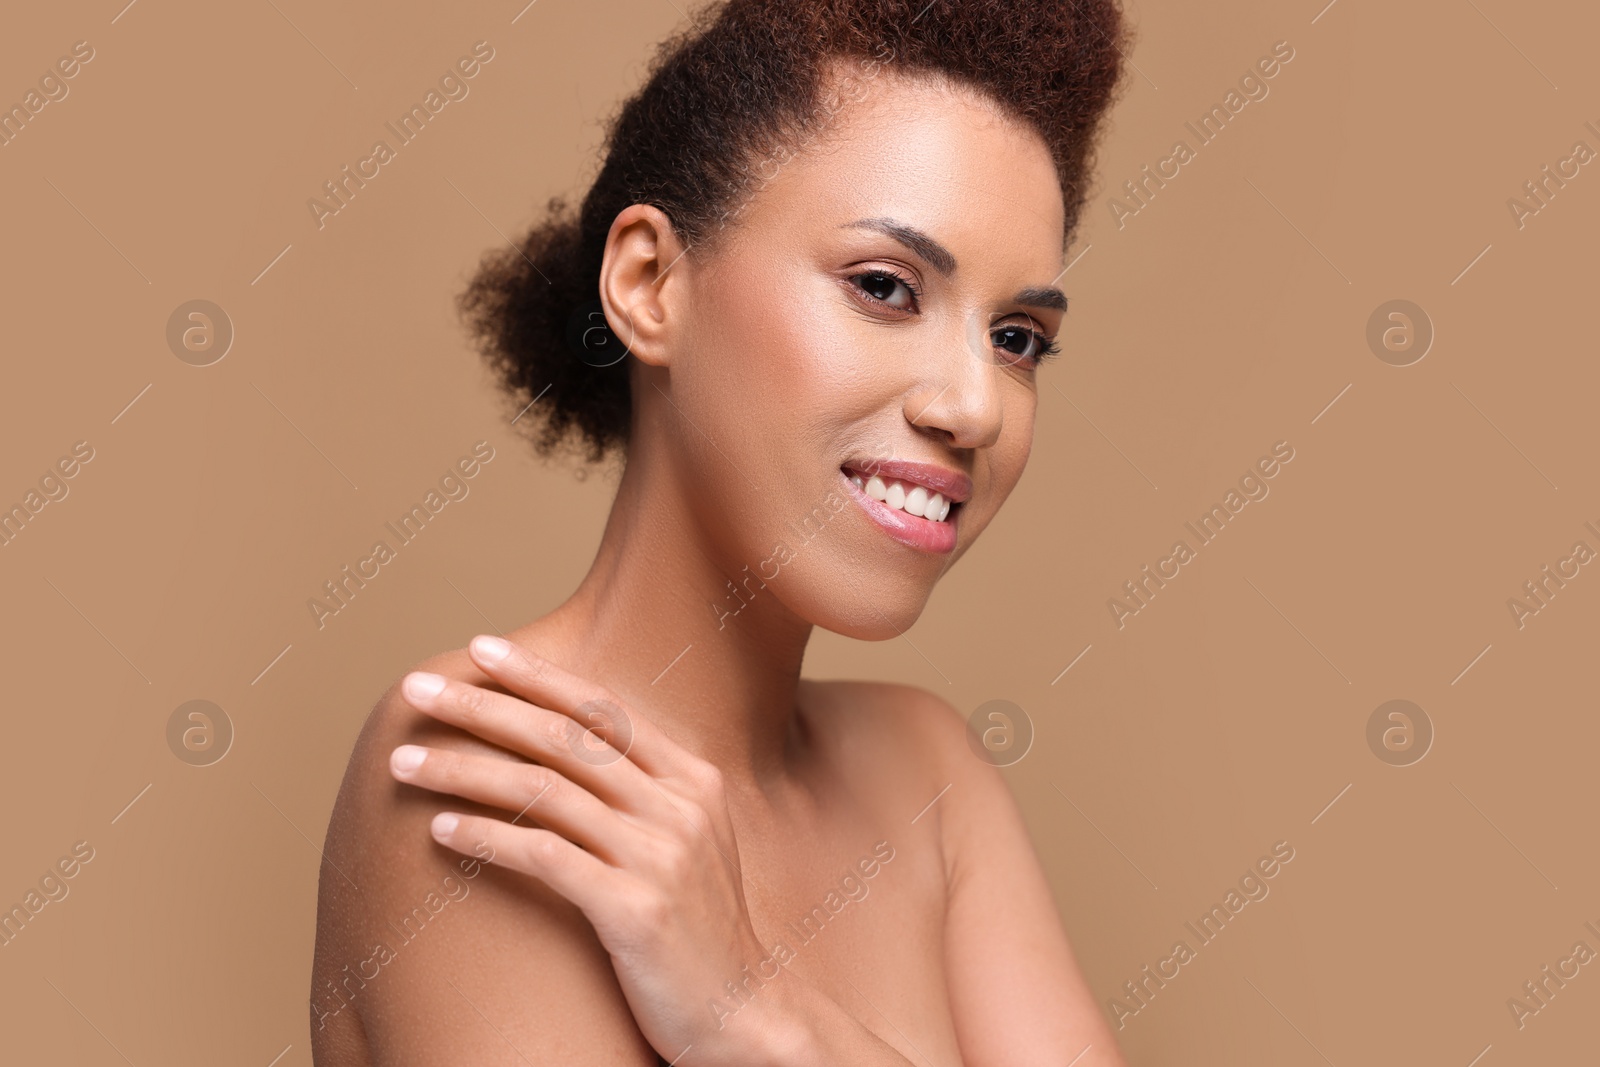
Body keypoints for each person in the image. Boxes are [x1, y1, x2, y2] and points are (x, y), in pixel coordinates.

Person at [311, 0, 1130, 1062]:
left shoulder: (930, 776)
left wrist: (756, 1013)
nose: (974, 405)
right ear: (650, 283)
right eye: (884, 286)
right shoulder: (498, 770)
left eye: (1017, 338)